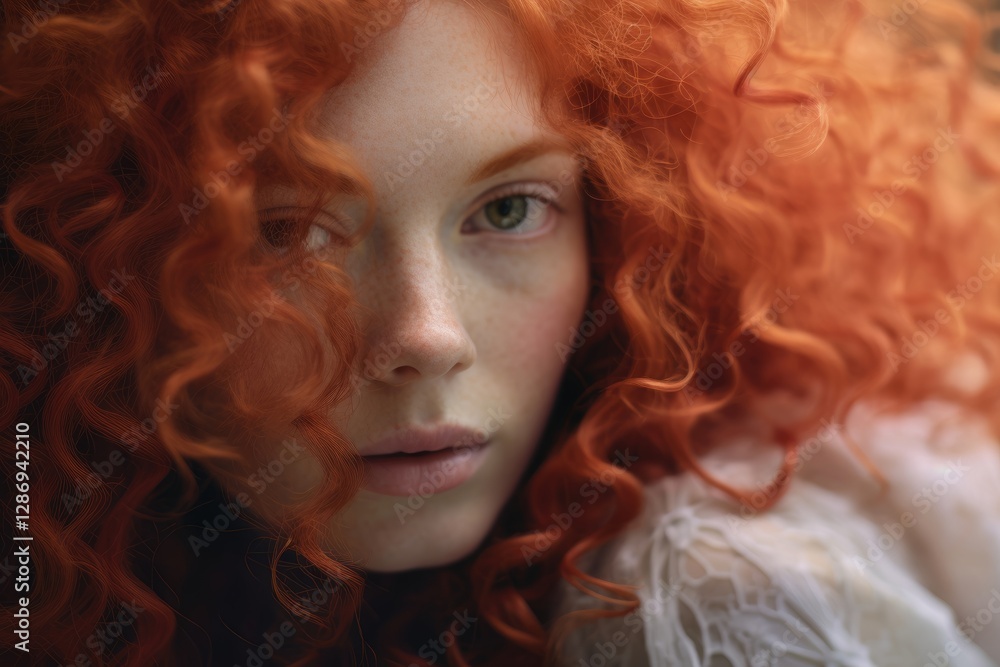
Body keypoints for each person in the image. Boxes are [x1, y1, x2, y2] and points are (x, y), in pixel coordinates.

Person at [2, 0, 999, 665]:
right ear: (109, 271)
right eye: (287, 233)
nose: (425, 337)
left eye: (510, 211)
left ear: (627, 229)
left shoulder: (703, 594)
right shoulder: (64, 570)